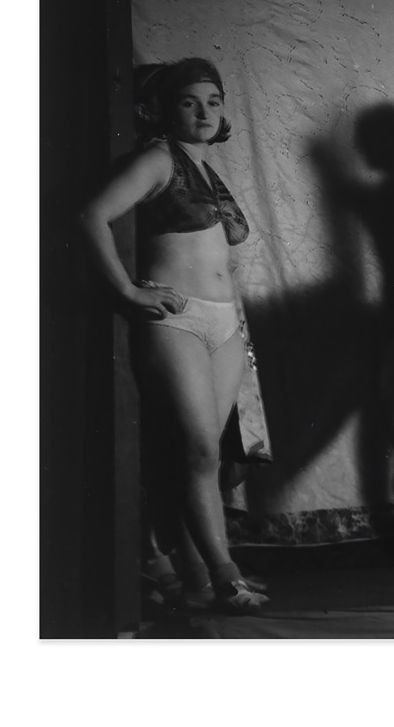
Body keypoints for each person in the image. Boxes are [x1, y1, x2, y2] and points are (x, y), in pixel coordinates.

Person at [79, 57, 269, 613]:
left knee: (202, 456)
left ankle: (197, 578)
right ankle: (225, 575)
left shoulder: (207, 170)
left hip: (225, 323)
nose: (205, 112)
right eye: (190, 101)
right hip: (178, 317)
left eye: (213, 101)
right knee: (196, 451)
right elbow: (90, 216)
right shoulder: (159, 159)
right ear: (163, 110)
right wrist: (126, 291)